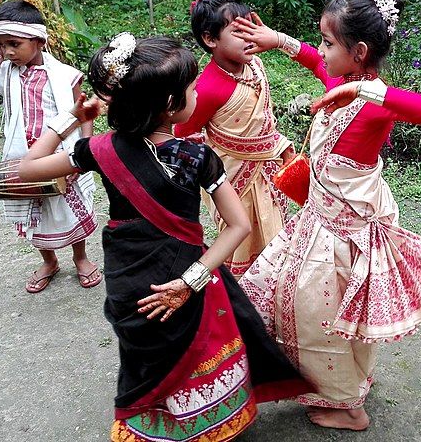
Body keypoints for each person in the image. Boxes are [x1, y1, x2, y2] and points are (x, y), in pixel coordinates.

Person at [18, 34, 312, 441]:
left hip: (131, 277)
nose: (197, 93)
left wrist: (71, 116)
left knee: (148, 351)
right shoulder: (197, 157)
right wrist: (190, 282)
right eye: (191, 89)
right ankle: (211, 420)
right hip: (189, 271)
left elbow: (26, 168)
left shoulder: (96, 150)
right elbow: (239, 225)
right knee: (200, 346)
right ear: (172, 106)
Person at [232, 0, 421, 431]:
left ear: (359, 52)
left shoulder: (374, 106)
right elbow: (313, 61)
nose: (323, 52)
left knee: (323, 320)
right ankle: (341, 387)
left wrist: (365, 90)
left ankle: (350, 407)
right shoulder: (337, 78)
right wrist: (279, 41)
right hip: (315, 222)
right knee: (299, 307)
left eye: (330, 43)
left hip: (343, 237)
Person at [0, 0, 99, 293]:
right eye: (1, 45)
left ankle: (80, 258)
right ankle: (49, 262)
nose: (7, 52)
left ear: (37, 40)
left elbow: (83, 112)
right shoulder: (4, 74)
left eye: (14, 44)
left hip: (61, 155)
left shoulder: (64, 75)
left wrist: (85, 147)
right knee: (33, 212)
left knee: (69, 207)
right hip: (22, 159)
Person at [174, 0, 294, 278]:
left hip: (268, 172)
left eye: (251, 27)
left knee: (276, 237)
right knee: (245, 241)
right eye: (239, 31)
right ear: (210, 39)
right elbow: (183, 131)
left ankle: (273, 292)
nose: (250, 37)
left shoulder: (255, 65)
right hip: (235, 181)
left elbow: (265, 121)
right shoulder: (208, 89)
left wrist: (280, 147)